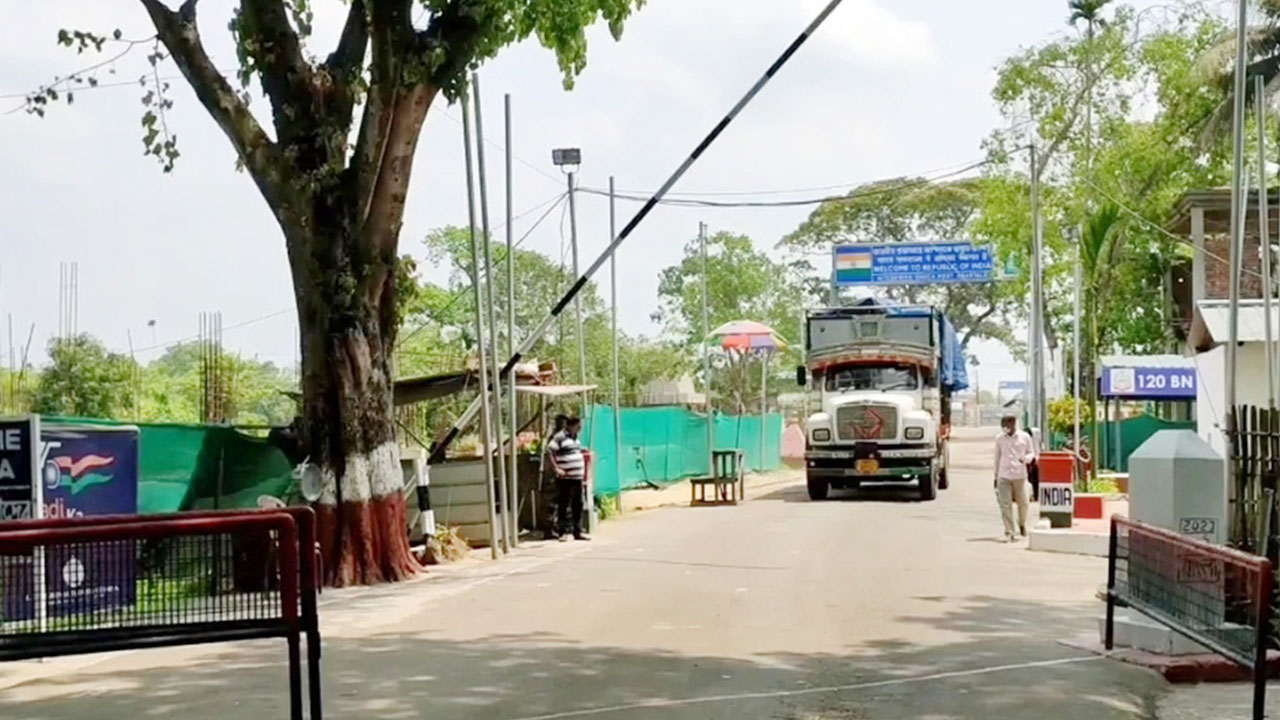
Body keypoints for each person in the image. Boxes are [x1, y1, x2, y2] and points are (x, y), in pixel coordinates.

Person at [548, 416, 590, 541]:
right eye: (578, 425)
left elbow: (572, 452)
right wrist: (556, 469)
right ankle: (562, 532)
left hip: (577, 477)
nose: (580, 427)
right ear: (572, 425)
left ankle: (577, 531)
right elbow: (550, 451)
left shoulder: (576, 439)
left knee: (578, 504)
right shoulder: (560, 437)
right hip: (565, 478)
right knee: (564, 504)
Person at [994, 414, 1035, 542]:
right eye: (1002, 425)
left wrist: (1027, 459)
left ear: (1013, 423)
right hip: (1004, 476)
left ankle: (1021, 523)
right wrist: (995, 477)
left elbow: (1032, 452)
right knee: (1005, 505)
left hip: (1020, 476)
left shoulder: (1024, 437)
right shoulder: (999, 439)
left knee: (1023, 503)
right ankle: (1009, 531)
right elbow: (997, 457)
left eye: (1006, 424)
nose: (1004, 427)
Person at [541, 414, 568, 540]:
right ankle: (549, 530)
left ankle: (555, 528)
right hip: (553, 474)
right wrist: (555, 468)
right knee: (552, 503)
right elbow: (549, 454)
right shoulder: (556, 437)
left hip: (560, 472)